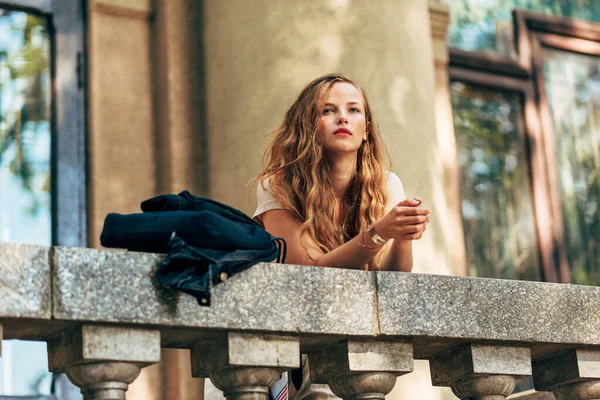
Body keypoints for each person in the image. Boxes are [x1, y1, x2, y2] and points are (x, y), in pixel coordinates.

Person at [253, 73, 429, 272]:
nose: (343, 118)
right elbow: (310, 273)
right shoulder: (279, 185)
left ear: (366, 131)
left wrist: (402, 235)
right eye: (327, 110)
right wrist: (378, 233)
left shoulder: (386, 184)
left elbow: (395, 279)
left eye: (353, 109)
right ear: (307, 126)